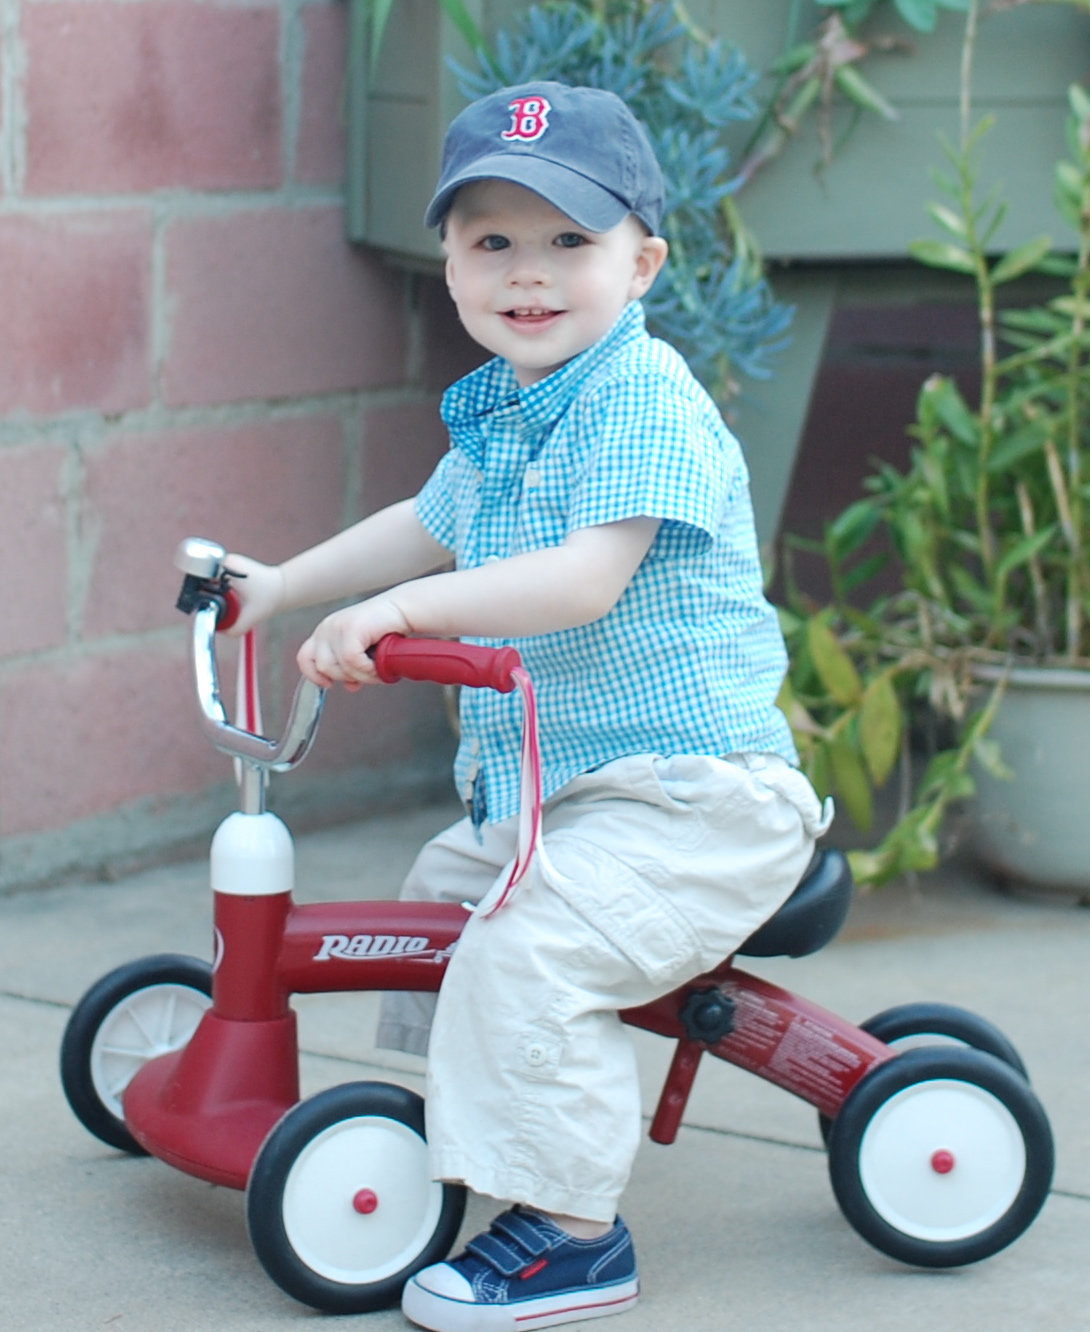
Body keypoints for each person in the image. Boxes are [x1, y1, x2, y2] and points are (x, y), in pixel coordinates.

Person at [220, 81, 824, 1332]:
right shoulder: (509, 413)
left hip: (695, 802)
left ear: (640, 264)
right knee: (438, 903)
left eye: (568, 240)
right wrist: (278, 586)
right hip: (568, 799)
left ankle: (569, 1235)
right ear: (447, 265)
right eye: (491, 240)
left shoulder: (641, 399)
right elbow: (423, 524)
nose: (528, 273)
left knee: (524, 946)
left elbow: (581, 579)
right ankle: (451, 1138)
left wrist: (399, 614)